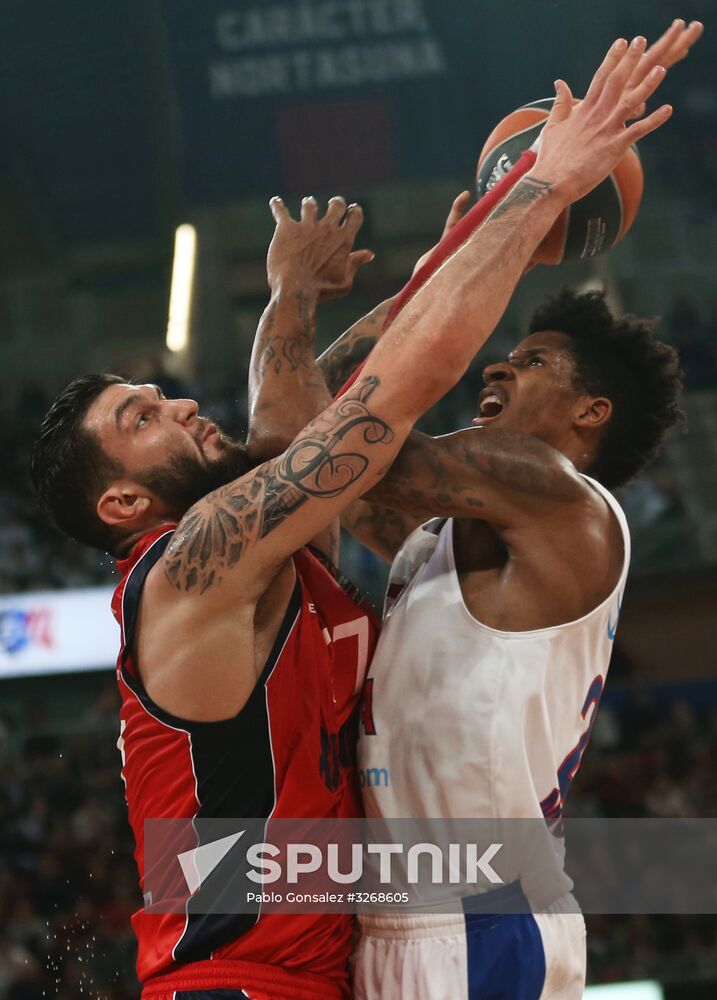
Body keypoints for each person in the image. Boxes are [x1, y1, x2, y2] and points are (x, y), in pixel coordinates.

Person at [31, 38, 672, 1000]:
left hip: (428, 926)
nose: (176, 403)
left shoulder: (317, 553)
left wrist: (430, 263)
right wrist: (531, 195)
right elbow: (360, 416)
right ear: (120, 503)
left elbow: (314, 431)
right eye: (142, 418)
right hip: (261, 974)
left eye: (156, 395)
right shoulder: (194, 567)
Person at [245, 22, 699, 1000]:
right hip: (426, 908)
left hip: (480, 918)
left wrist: (503, 222)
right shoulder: (459, 536)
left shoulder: (557, 499)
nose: (499, 361)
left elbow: (307, 437)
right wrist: (451, 257)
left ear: (591, 413)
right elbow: (316, 438)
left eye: (532, 361)